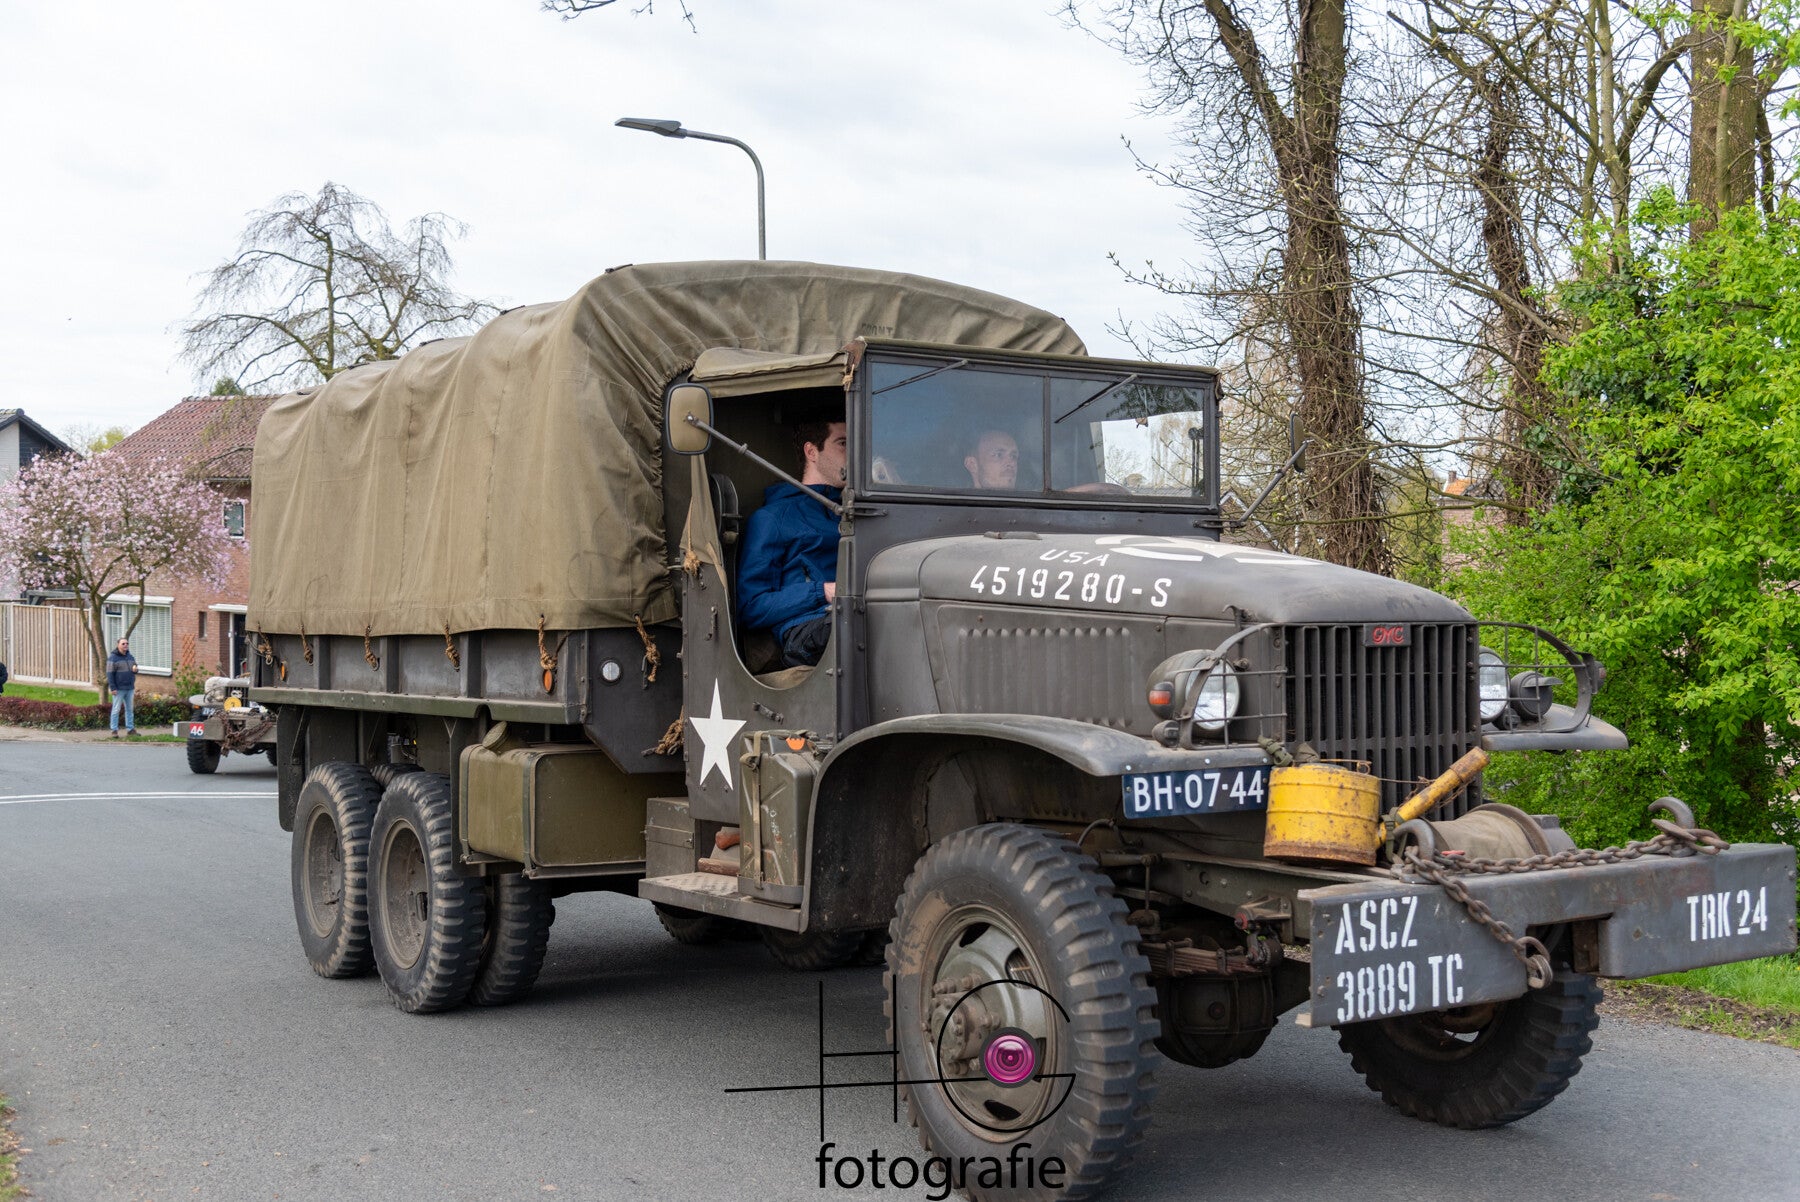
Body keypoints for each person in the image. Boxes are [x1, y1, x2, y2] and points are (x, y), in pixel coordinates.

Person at [738, 416, 846, 669]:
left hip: (856, 614)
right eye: (843, 443)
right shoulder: (774, 518)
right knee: (863, 628)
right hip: (806, 628)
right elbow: (751, 608)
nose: (854, 453)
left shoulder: (859, 514)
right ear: (812, 452)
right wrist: (822, 591)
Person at [107, 636, 138, 738]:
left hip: (130, 688)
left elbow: (135, 668)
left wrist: (136, 670)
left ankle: (130, 729)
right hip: (119, 689)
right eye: (123, 644)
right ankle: (114, 730)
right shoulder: (113, 658)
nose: (126, 645)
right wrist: (113, 688)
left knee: (130, 709)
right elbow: (110, 674)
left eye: (127, 643)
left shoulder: (130, 656)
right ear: (118, 645)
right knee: (116, 709)